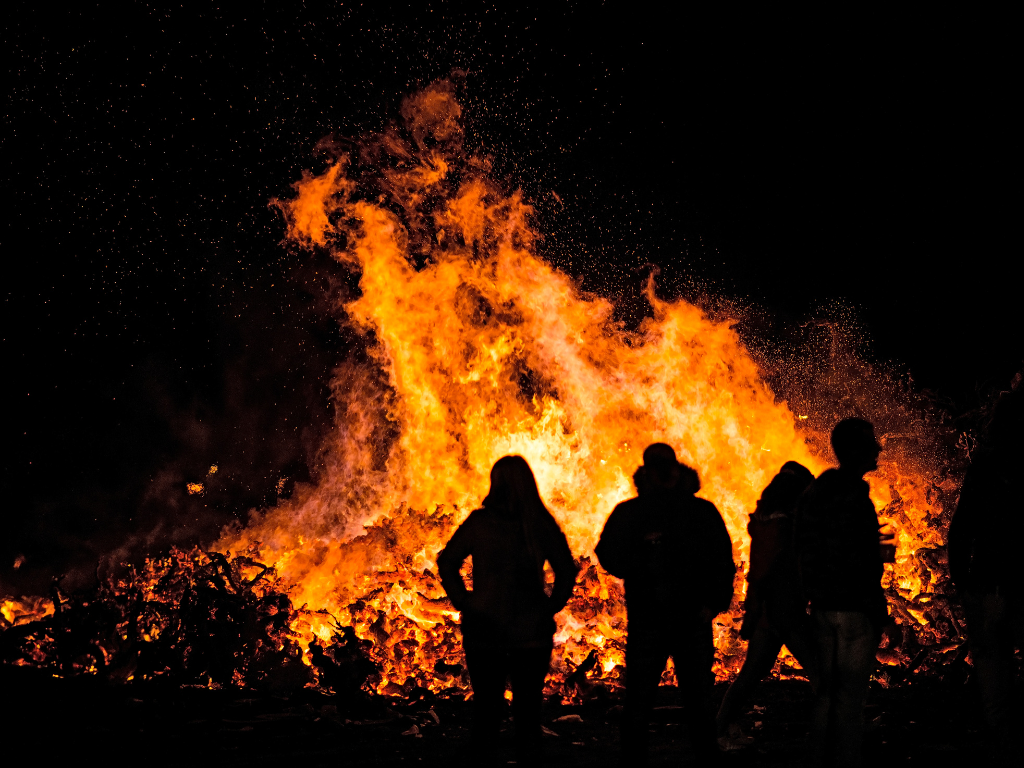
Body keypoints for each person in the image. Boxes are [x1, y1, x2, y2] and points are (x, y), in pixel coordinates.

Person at [595, 443, 735, 766]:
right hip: (652, 620)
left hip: (686, 621)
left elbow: (722, 562)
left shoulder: (696, 513)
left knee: (695, 703)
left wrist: (713, 604)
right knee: (643, 703)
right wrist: (641, 564)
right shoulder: (637, 513)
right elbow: (608, 554)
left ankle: (704, 758)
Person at [437, 455, 578, 766]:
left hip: (485, 632)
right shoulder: (539, 524)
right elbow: (567, 570)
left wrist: (466, 602)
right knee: (528, 713)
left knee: (486, 711)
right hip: (530, 634)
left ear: (495, 484)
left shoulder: (480, 522)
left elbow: (447, 562)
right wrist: (550, 607)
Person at [795, 418, 889, 768]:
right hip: (852, 611)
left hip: (822, 607)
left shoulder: (816, 493)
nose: (878, 448)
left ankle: (819, 762)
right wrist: (877, 612)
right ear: (854, 450)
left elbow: (803, 548)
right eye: (871, 442)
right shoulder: (851, 497)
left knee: (827, 694)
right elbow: (857, 562)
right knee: (850, 698)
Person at [716, 461, 817, 749]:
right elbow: (772, 572)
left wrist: (755, 611)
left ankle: (718, 729)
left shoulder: (764, 523)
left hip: (768, 613)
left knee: (751, 674)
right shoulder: (783, 526)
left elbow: (759, 573)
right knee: (821, 669)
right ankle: (843, 729)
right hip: (785, 611)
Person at [947, 383, 1023, 765]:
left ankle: (1003, 747)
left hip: (990, 585)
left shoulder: (986, 465)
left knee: (994, 674)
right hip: (1016, 585)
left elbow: (962, 530)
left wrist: (963, 583)